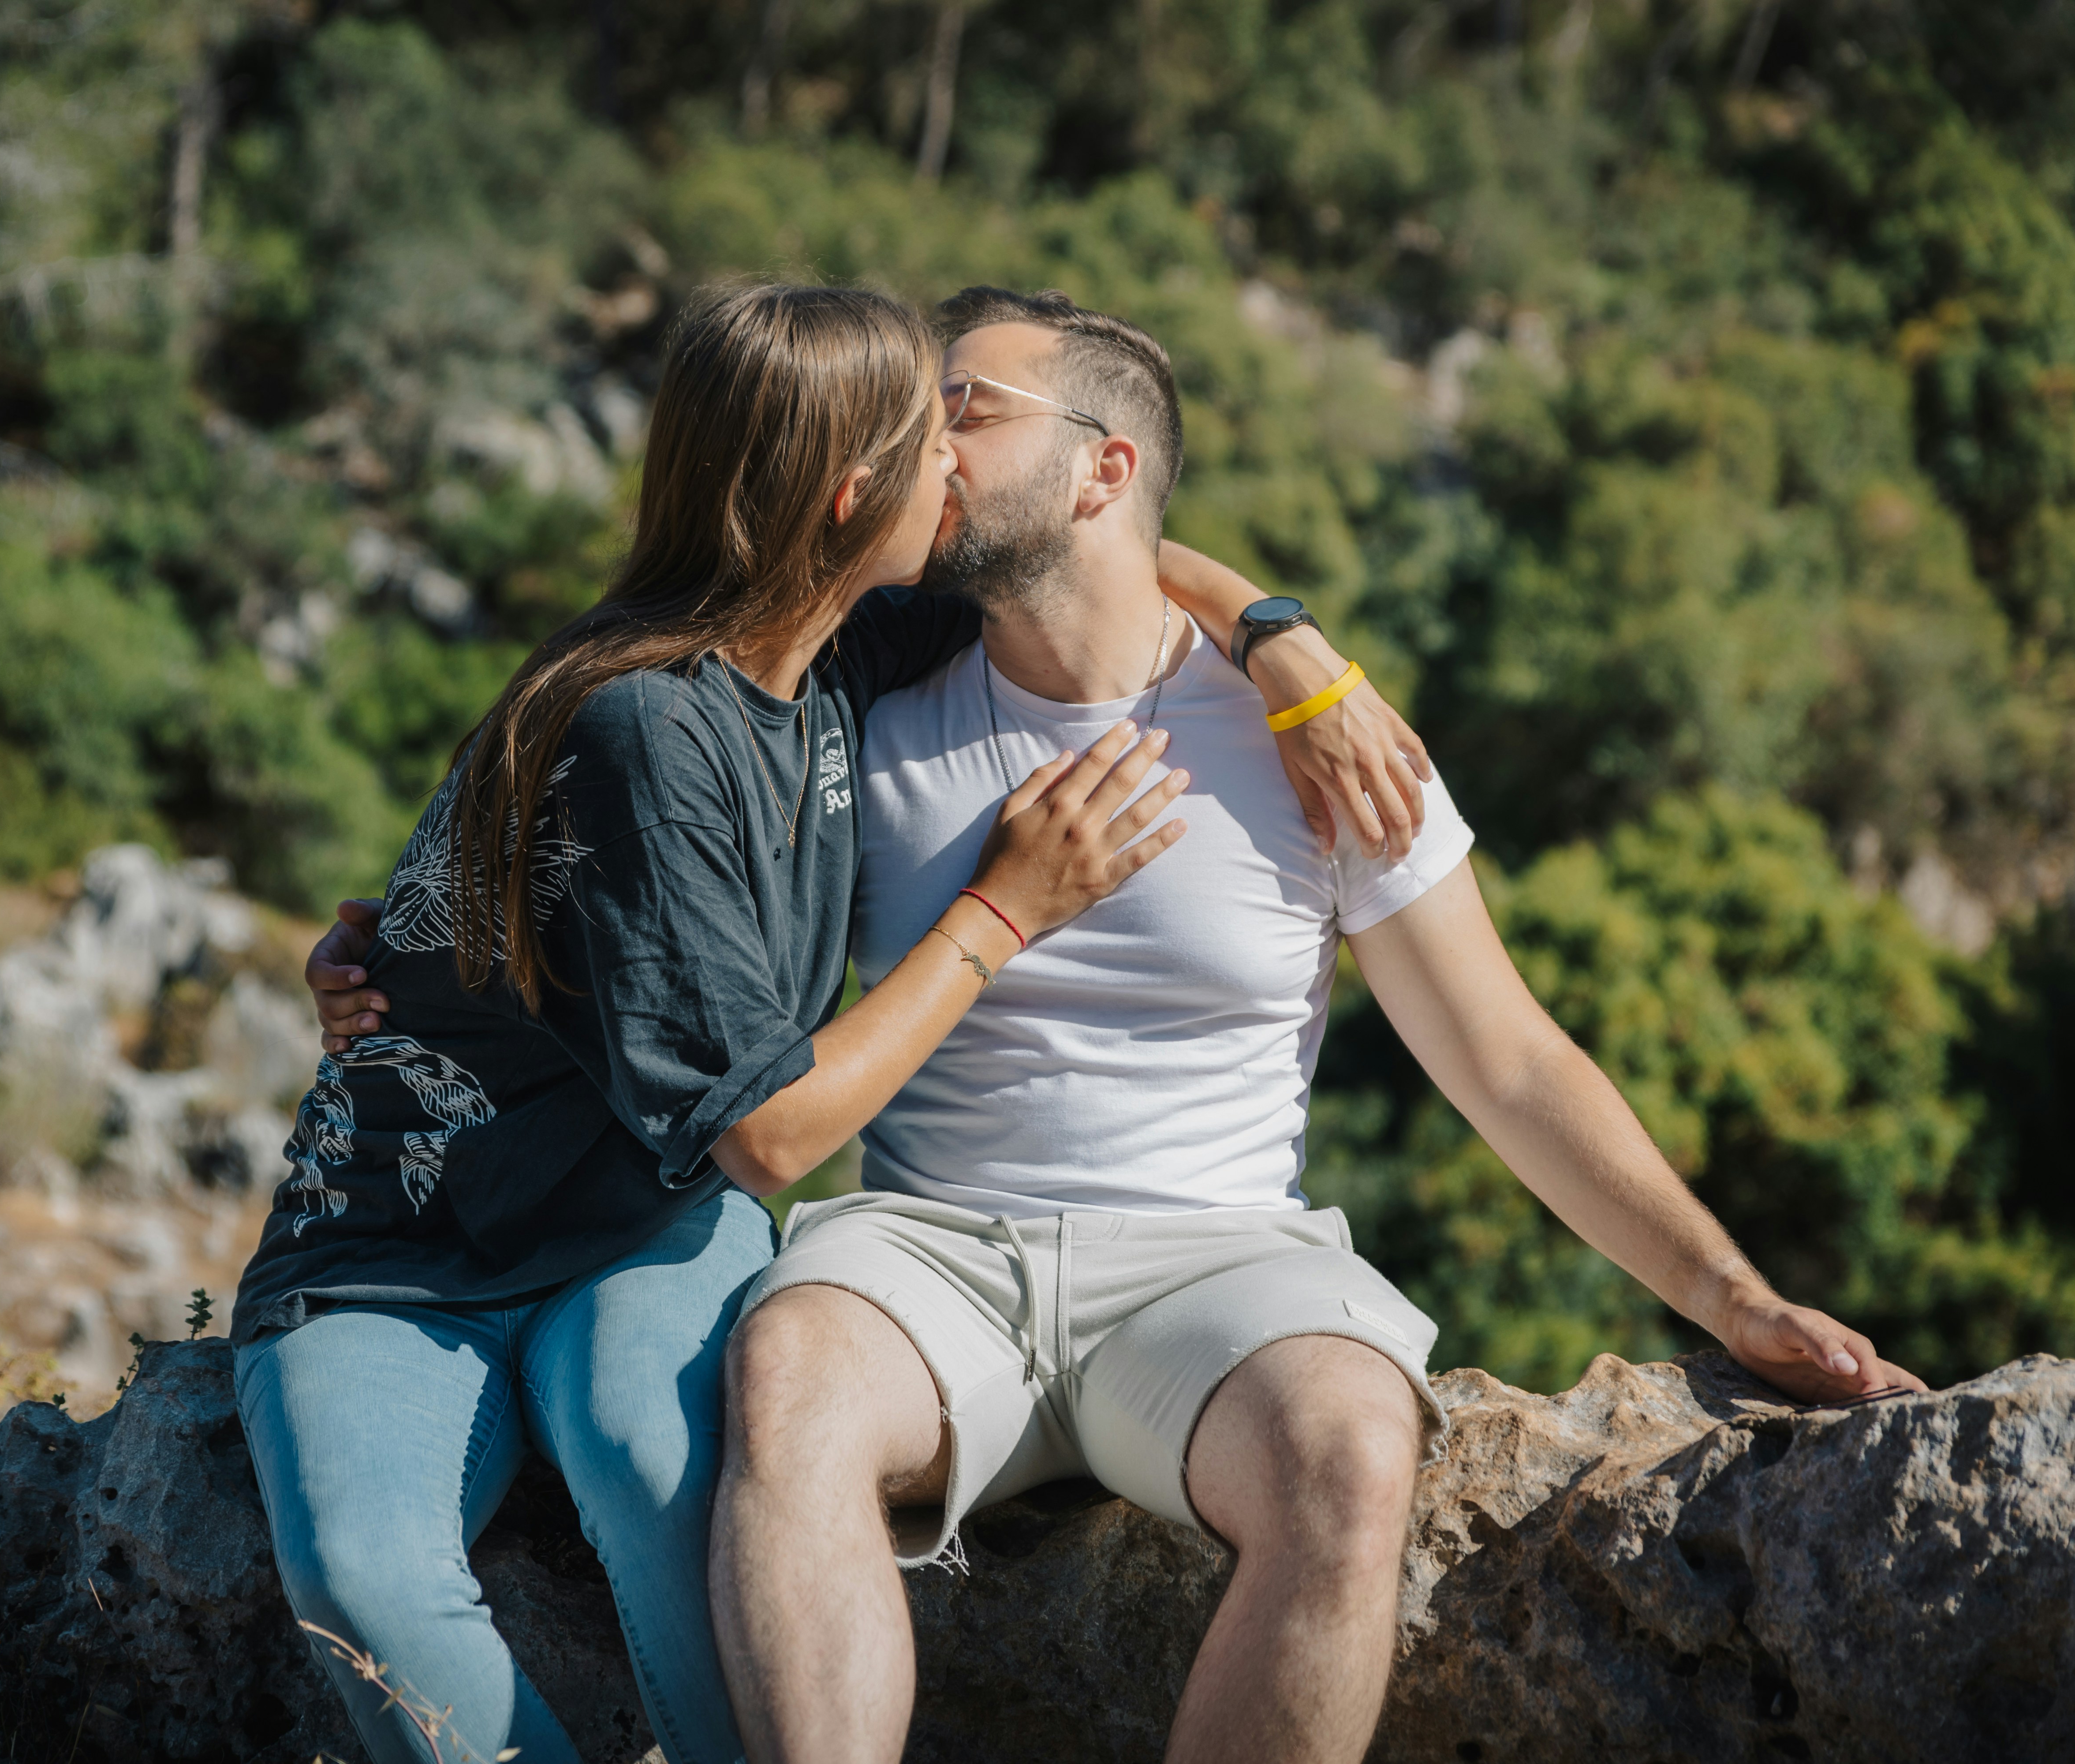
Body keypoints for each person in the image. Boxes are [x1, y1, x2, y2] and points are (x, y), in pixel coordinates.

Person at [689, 289, 1929, 1764]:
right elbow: (649, 763)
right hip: (932, 1251)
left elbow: (1509, 1058)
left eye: (967, 405)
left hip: (1219, 1266)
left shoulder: (1318, 741)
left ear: (1105, 468)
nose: (919, 434)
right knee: (789, 1378)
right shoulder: (859, 696)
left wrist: (1735, 1301)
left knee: (1352, 1453)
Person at [232, 282, 1418, 1764]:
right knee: (364, 1579)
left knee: (666, 1472)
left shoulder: (840, 646)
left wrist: (1277, 633)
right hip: (411, 1240)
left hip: (644, 1216)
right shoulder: (647, 721)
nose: (966, 471)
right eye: (945, 434)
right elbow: (775, 1132)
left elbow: (1097, 538)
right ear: (857, 493)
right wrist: (1002, 911)